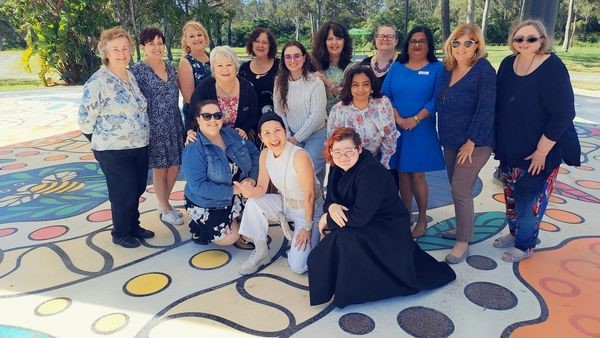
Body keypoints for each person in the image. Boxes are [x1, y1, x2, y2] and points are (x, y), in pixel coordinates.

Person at [307, 128, 456, 308]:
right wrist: (331, 207)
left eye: (349, 150)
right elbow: (330, 198)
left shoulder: (370, 172)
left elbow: (360, 217)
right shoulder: (337, 167)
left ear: (359, 149)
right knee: (337, 239)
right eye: (337, 151)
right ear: (330, 152)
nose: (343, 156)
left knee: (343, 239)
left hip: (387, 228)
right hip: (364, 219)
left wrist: (326, 220)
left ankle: (354, 291)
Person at [493, 20, 580, 262]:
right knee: (510, 197)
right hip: (510, 147)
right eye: (519, 39)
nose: (524, 43)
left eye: (531, 39)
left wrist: (542, 151)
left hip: (540, 151)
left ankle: (525, 244)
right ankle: (514, 233)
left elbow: (563, 114)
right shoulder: (508, 63)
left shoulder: (552, 67)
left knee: (528, 200)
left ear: (542, 40)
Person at [78, 27, 153, 249]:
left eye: (125, 49)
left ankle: (133, 225)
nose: (121, 53)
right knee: (124, 191)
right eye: (115, 50)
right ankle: (121, 232)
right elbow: (85, 119)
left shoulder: (129, 75)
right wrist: (101, 141)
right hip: (113, 149)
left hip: (139, 144)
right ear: (106, 53)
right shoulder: (98, 81)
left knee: (137, 188)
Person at [435, 24, 496, 264]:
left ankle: (463, 242)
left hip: (476, 143)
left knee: (460, 189)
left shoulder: (484, 70)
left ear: (477, 45)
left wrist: (471, 141)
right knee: (459, 188)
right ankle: (463, 229)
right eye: (456, 43)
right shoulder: (446, 69)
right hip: (451, 139)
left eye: (468, 43)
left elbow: (486, 109)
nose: (461, 48)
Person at [235, 113, 322, 275]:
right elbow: (261, 187)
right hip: (284, 203)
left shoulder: (299, 155)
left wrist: (308, 227)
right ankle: (261, 251)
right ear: (260, 137)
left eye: (277, 130)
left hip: (307, 210)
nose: (273, 137)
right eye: (267, 133)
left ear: (285, 131)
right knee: (254, 203)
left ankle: (305, 236)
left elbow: (310, 195)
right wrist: (248, 191)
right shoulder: (265, 154)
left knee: (298, 266)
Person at [381, 26, 445, 238]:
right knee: (402, 173)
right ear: (407, 44)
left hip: (421, 128)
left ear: (429, 45)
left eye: (422, 41)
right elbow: (386, 95)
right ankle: (405, 214)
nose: (417, 45)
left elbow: (437, 98)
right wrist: (398, 118)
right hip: (397, 128)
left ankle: (422, 218)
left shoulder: (437, 68)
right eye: (413, 41)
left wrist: (416, 119)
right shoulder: (397, 67)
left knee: (417, 174)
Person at [181, 100, 259, 245]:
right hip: (209, 201)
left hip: (239, 192)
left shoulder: (232, 134)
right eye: (206, 116)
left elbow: (255, 153)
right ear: (198, 119)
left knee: (262, 203)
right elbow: (198, 187)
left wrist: (251, 179)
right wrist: (235, 190)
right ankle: (200, 226)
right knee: (230, 238)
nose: (213, 120)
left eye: (217, 116)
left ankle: (235, 215)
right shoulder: (193, 148)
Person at [131, 27, 185, 226]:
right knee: (160, 168)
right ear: (143, 46)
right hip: (153, 126)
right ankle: (164, 207)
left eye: (160, 43)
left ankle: (165, 204)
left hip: (173, 122)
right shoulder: (137, 71)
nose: (157, 47)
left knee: (175, 166)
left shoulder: (170, 67)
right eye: (151, 43)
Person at [273, 41, 327, 182]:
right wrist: (289, 135)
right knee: (292, 172)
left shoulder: (315, 83)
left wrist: (297, 138)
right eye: (288, 57)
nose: (292, 60)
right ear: (283, 60)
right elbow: (279, 112)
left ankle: (317, 203)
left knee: (310, 171)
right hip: (291, 134)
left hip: (316, 134)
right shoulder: (279, 82)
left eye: (297, 56)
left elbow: (317, 116)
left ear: (304, 58)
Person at [328, 65, 399, 168]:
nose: (360, 89)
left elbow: (390, 136)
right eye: (355, 85)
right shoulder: (338, 110)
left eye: (365, 84)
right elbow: (331, 142)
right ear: (349, 87)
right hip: (346, 162)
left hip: (375, 160)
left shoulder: (382, 104)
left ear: (371, 87)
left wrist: (383, 166)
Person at [189, 46, 260, 143]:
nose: (225, 70)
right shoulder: (204, 88)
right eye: (219, 66)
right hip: (211, 139)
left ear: (236, 67)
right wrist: (190, 131)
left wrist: (245, 128)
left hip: (239, 139)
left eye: (229, 65)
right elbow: (192, 113)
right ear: (213, 69)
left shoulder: (247, 87)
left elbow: (254, 115)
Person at [311, 21, 353, 112]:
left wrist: (327, 82)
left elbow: (348, 96)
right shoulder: (312, 66)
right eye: (330, 39)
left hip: (345, 120)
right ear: (323, 42)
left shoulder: (351, 68)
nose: (334, 43)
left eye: (338, 38)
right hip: (319, 121)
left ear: (344, 41)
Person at [178, 21, 212, 132]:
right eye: (192, 36)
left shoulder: (213, 57)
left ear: (205, 37)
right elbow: (189, 98)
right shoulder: (186, 62)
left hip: (217, 115)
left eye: (199, 35)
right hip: (198, 117)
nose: (197, 38)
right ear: (186, 41)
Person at [238, 27, 280, 115]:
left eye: (264, 42)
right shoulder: (243, 69)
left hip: (275, 121)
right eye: (257, 41)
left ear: (270, 46)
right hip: (250, 121)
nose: (260, 45)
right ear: (251, 44)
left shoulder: (280, 66)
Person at [360, 24, 401, 89]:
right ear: (375, 39)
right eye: (381, 36)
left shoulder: (404, 63)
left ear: (396, 41)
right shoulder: (365, 64)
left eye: (389, 36)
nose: (385, 39)